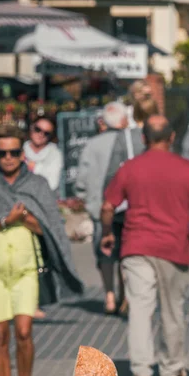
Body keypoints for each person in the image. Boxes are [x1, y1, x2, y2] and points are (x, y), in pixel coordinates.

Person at [101, 115, 189, 376]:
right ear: (172, 137)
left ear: (143, 138)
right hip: (173, 248)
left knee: (139, 309)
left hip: (136, 246)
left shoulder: (129, 168)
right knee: (173, 310)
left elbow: (107, 206)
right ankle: (172, 369)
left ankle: (141, 372)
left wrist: (107, 233)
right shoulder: (187, 169)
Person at [0, 125, 82, 376]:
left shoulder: (36, 184)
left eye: (14, 152)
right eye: (3, 153)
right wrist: (3, 220)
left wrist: (23, 218)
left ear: (22, 154)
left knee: (24, 332)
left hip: (25, 271)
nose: (9, 157)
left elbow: (49, 226)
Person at [76, 102, 144, 315]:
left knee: (104, 252)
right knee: (126, 253)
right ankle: (125, 296)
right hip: (128, 207)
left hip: (99, 206)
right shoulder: (134, 142)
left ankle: (109, 297)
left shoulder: (92, 144)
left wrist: (85, 198)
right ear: (123, 120)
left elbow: (82, 178)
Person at [23, 117, 63, 194]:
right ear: (31, 128)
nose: (41, 134)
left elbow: (52, 183)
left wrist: (34, 167)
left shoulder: (55, 153)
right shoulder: (19, 149)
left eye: (46, 133)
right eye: (37, 129)